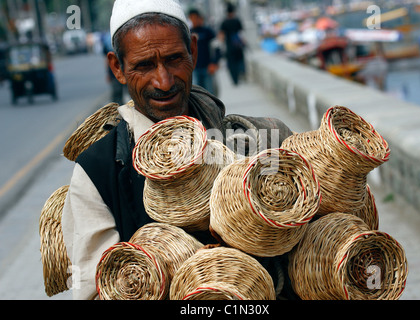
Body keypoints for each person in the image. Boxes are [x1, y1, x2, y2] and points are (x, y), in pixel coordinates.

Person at [61, 0, 294, 300]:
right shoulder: (97, 172)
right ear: (117, 68)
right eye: (144, 66)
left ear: (193, 52)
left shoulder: (249, 142)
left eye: (174, 59)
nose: (164, 81)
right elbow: (93, 291)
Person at [188, 8, 220, 96]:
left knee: (210, 93)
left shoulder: (208, 32)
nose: (193, 20)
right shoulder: (188, 33)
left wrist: (214, 62)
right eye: (191, 18)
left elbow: (217, 48)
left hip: (207, 68)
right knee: (196, 95)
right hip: (194, 69)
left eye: (194, 18)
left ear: (199, 18)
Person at [219, 2, 246, 86]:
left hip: (229, 46)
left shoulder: (224, 22)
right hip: (238, 46)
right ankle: (239, 76)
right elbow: (241, 33)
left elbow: (221, 35)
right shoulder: (237, 20)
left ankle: (234, 80)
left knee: (231, 64)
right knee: (239, 61)